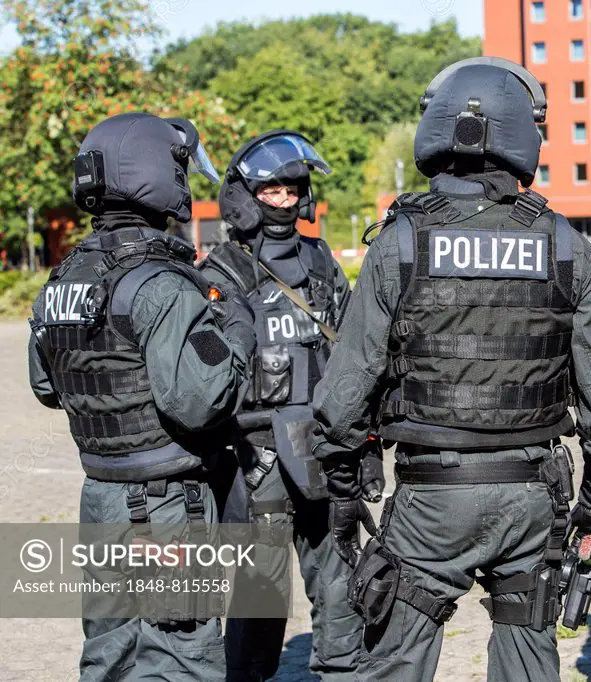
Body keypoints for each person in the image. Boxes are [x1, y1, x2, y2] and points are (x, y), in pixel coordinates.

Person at [311, 56, 591, 681]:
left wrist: (344, 496)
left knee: (394, 660)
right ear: (522, 138)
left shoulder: (399, 243)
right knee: (528, 657)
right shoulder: (567, 245)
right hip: (535, 494)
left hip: (433, 497)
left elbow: (344, 397)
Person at [27, 112, 256, 680]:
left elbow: (45, 387)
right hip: (165, 507)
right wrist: (239, 333)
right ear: (158, 174)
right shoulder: (159, 282)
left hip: (100, 498)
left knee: (109, 656)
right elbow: (199, 401)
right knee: (182, 659)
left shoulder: (65, 278)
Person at [198, 130, 367, 681]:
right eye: (271, 190)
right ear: (247, 197)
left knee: (340, 578)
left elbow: (352, 346)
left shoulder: (321, 260)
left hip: (323, 446)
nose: (285, 198)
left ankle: (340, 671)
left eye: (293, 187)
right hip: (257, 456)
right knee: (259, 599)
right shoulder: (221, 270)